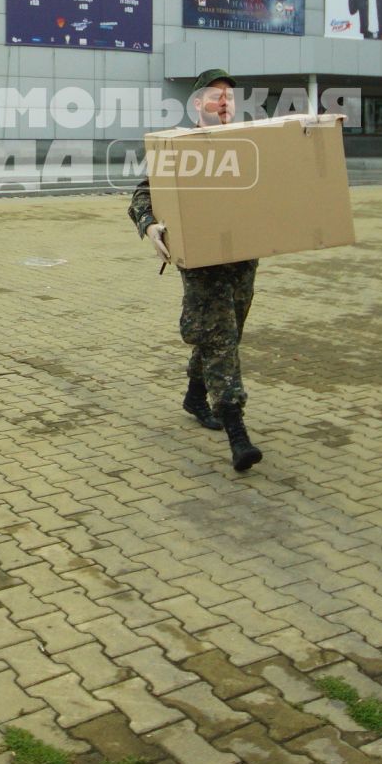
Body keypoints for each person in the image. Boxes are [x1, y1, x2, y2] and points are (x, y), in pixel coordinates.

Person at [128, 67, 263, 473]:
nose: (224, 101)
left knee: (227, 332)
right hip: (202, 262)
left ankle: (194, 394)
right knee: (220, 335)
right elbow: (142, 194)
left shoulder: (250, 143)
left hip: (242, 258)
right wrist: (149, 224)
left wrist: (322, 132)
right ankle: (236, 431)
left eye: (229, 96)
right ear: (197, 103)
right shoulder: (177, 145)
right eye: (215, 94)